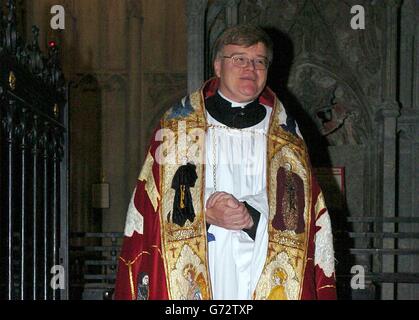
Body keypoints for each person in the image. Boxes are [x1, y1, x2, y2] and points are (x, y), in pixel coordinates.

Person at [114, 24, 337, 300]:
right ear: (218, 66)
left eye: (259, 61)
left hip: (261, 263)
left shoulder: (286, 135)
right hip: (200, 262)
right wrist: (204, 213)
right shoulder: (177, 127)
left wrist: (250, 216)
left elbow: (303, 212)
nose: (250, 69)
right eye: (239, 59)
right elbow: (150, 207)